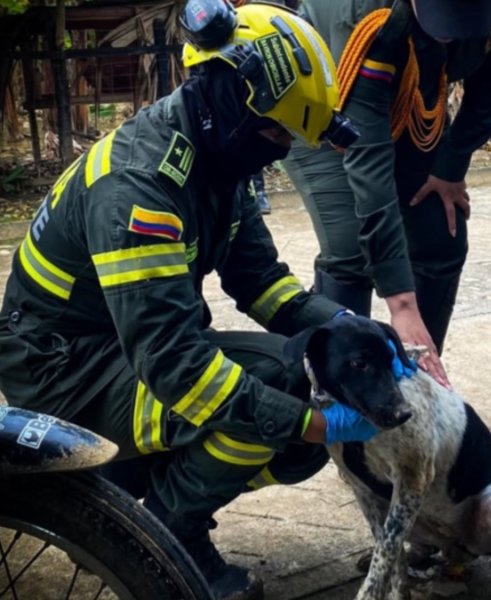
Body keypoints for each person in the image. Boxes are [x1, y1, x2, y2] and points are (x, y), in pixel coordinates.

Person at [0, 4, 382, 599]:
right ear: (234, 100)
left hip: (120, 353)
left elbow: (261, 281)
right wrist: (311, 423)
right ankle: (170, 529)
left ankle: (146, 481)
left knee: (306, 392)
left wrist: (354, 332)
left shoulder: (216, 161)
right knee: (283, 392)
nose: (280, 149)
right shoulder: (140, 189)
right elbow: (176, 367)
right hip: (64, 374)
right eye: (277, 132)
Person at [282, 0, 491, 387]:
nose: (451, 34)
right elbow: (368, 160)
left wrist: (449, 169)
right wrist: (402, 303)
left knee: (443, 236)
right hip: (324, 110)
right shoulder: (369, 15)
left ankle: (416, 374)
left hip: (410, 103)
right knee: (351, 250)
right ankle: (341, 391)